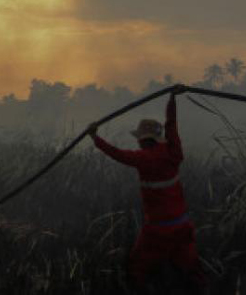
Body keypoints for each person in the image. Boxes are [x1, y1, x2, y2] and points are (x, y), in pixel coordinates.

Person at [86, 85, 208, 293]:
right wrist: (172, 100)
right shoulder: (173, 152)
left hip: (157, 230)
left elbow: (116, 153)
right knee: (193, 270)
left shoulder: (142, 158)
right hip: (182, 225)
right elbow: (171, 126)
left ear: (143, 140)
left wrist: (95, 138)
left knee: (136, 267)